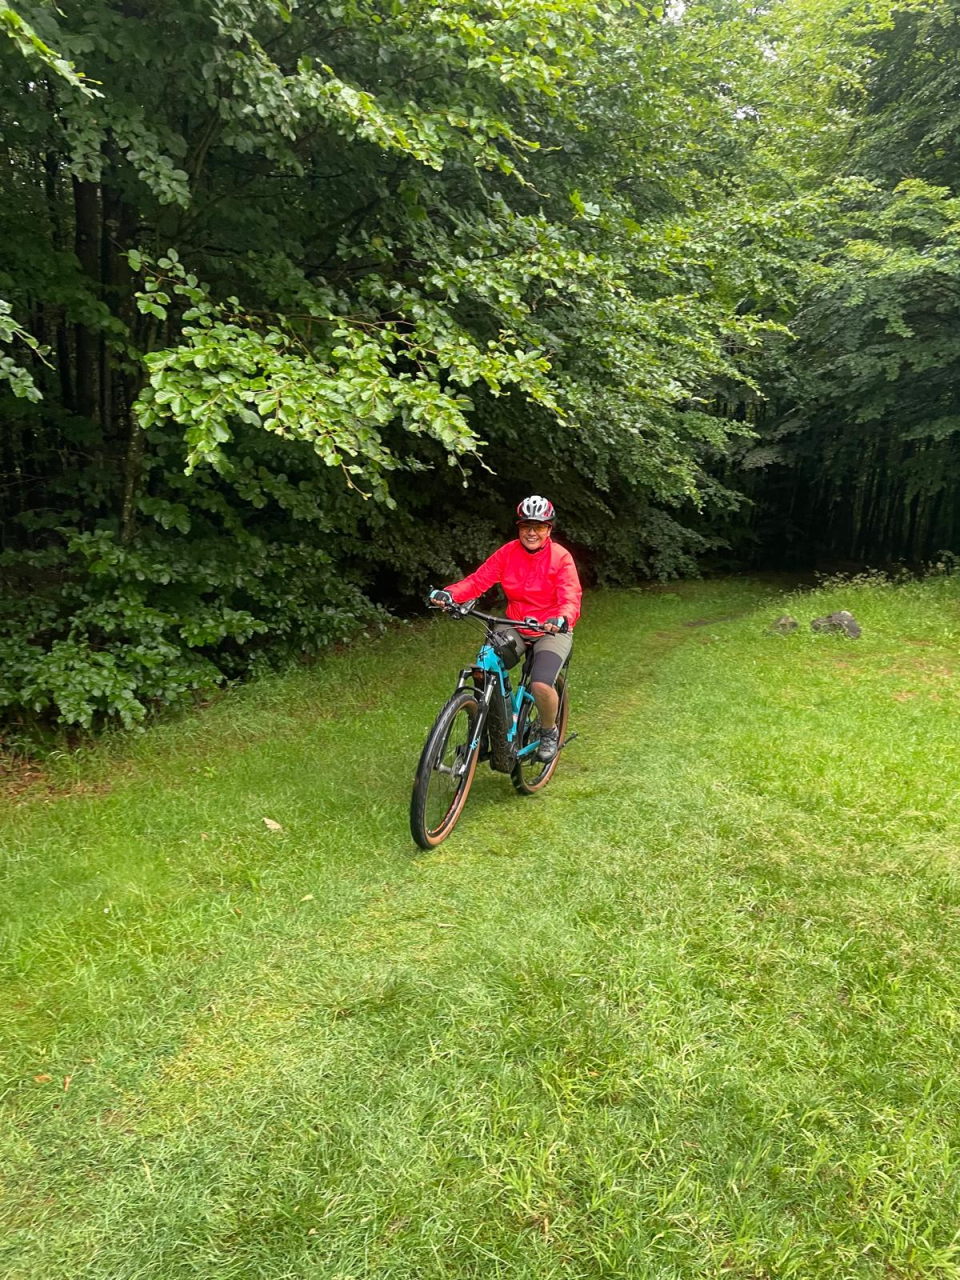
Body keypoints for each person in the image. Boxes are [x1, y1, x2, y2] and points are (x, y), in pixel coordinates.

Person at [429, 495, 582, 762]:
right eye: (526, 526)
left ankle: (548, 731)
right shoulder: (508, 552)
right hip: (515, 623)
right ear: (519, 527)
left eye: (539, 526)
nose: (531, 532)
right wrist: (449, 594)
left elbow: (570, 596)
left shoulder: (560, 557)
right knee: (484, 666)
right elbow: (478, 581)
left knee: (541, 684)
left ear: (549, 529)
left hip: (551, 629)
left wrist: (562, 618)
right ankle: (483, 735)